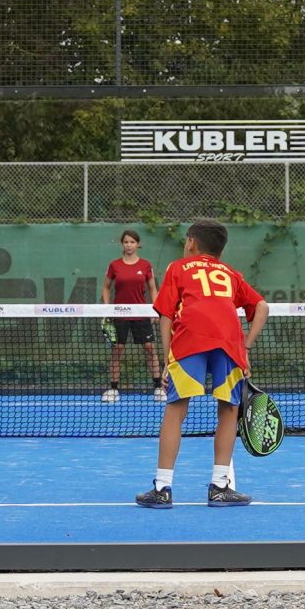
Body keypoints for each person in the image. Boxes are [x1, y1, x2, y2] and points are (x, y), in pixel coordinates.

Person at [136, 218, 267, 508]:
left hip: (191, 337)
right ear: (219, 251)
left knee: (175, 411)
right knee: (229, 411)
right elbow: (262, 306)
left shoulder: (177, 267)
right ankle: (220, 486)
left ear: (191, 244)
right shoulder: (231, 272)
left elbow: (166, 315)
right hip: (229, 342)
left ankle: (162, 489)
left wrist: (170, 360)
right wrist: (245, 348)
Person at [101, 229, 164, 401]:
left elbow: (152, 288)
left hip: (141, 313)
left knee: (150, 349)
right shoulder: (114, 265)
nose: (129, 245)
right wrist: (107, 308)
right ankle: (113, 389)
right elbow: (106, 287)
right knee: (117, 350)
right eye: (126, 242)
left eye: (132, 242)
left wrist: (155, 309)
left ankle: (158, 388)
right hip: (119, 314)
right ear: (122, 244)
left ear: (138, 244)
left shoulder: (145, 265)